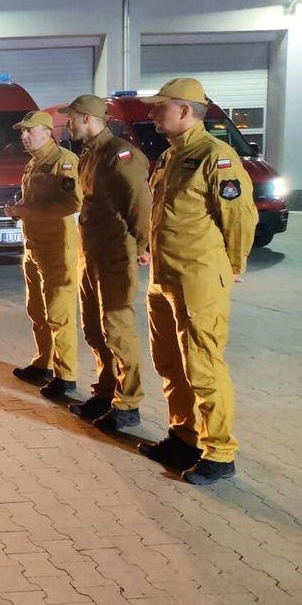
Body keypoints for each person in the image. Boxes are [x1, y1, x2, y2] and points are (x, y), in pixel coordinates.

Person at [137, 78, 257, 485]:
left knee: (203, 365)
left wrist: (234, 264)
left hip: (199, 279)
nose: (152, 114)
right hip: (165, 277)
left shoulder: (216, 157)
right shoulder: (171, 157)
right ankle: (184, 436)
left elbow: (239, 217)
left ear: (185, 110)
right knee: (170, 362)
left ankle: (219, 452)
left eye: (160, 107)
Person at [57, 95, 151, 431]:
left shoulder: (120, 154)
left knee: (118, 328)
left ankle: (128, 403)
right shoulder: (91, 154)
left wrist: (140, 243)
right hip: (92, 252)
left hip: (114, 253)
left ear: (87, 118)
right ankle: (105, 391)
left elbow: (139, 202)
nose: (68, 124)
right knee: (96, 328)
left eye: (72, 118)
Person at [5, 110, 81, 399]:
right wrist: (17, 211)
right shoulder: (35, 163)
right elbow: (33, 202)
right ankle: (43, 363)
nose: (24, 137)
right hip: (34, 246)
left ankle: (66, 375)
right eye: (21, 132)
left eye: (29, 131)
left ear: (47, 133)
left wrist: (29, 211)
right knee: (37, 310)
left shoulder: (63, 162)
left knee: (59, 314)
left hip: (56, 248)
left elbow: (71, 203)